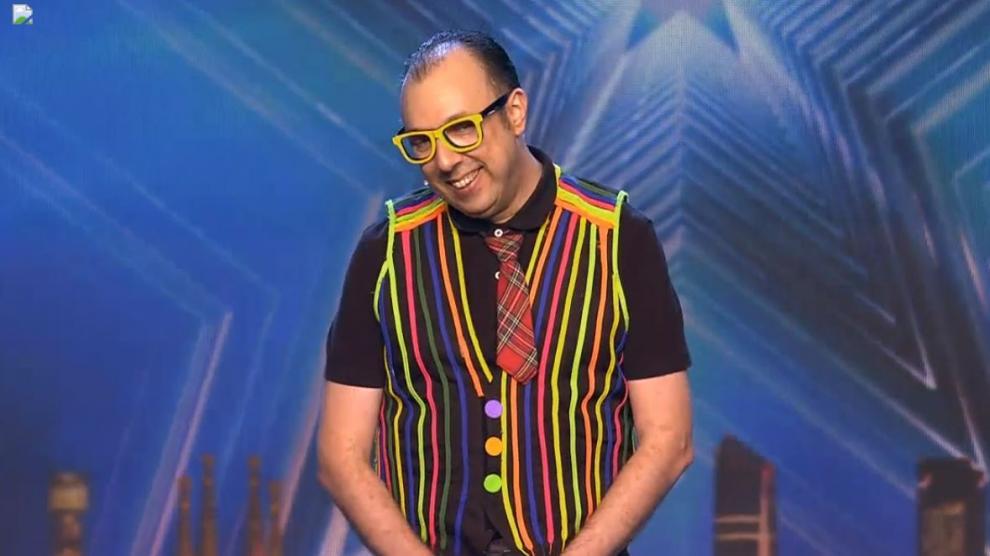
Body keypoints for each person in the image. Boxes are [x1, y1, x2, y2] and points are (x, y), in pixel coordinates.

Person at [318, 30, 693, 556]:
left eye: (461, 130)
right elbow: (341, 454)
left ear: (515, 112)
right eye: (422, 142)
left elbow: (669, 438)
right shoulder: (386, 251)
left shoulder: (618, 237)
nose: (445, 160)